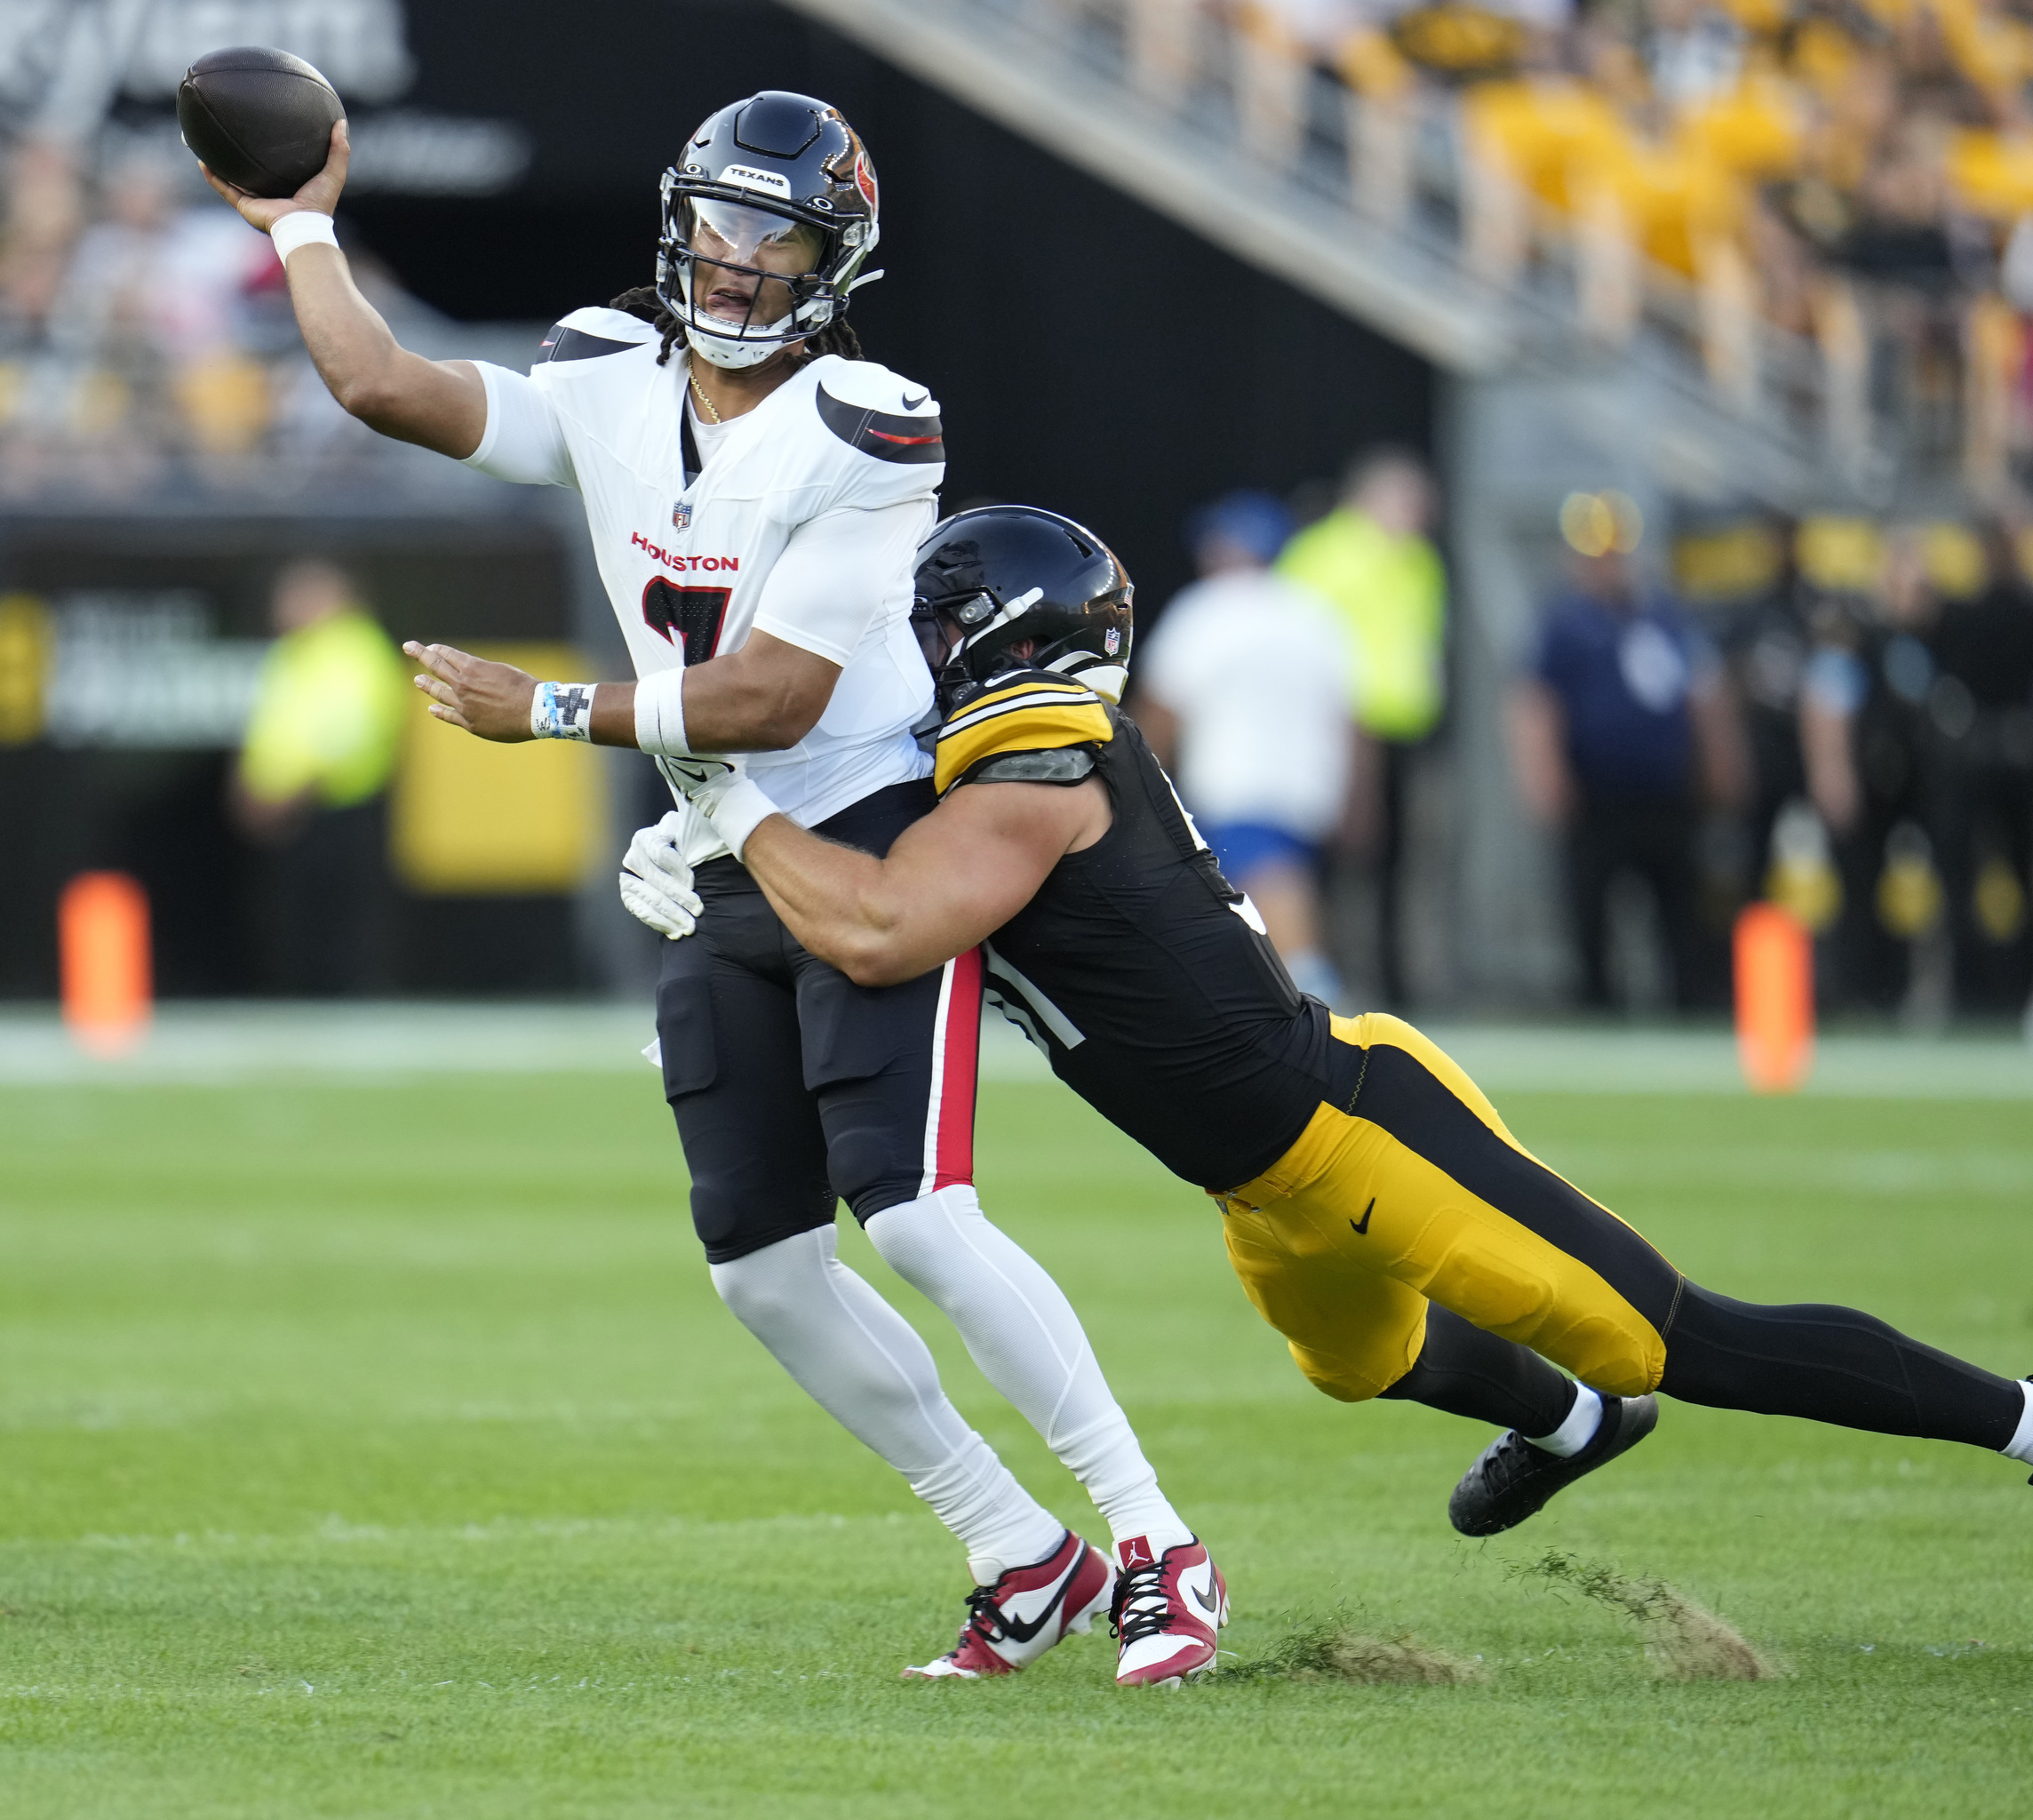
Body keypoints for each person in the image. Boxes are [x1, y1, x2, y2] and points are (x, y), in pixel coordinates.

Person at [202, 96, 1216, 1686]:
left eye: (779, 237)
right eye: (723, 226)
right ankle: (1018, 1546)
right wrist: (301, 227)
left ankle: (1156, 1536)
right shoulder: (607, 365)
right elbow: (382, 382)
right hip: (723, 841)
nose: (739, 264)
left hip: (864, 823)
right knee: (759, 1267)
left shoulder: (872, 418)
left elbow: (775, 698)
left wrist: (545, 712)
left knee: (923, 1217)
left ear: (837, 260)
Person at [657, 504, 2033, 1538]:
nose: (915, 657)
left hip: (1355, 1130)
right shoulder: (983, 768)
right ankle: (1572, 1423)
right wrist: (732, 887)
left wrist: (735, 817)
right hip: (1253, 1181)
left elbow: (887, 922)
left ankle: (2020, 1419)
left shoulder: (1040, 761)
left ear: (1010, 638)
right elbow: (876, 904)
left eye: (938, 629)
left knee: (1684, 1335)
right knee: (1362, 1361)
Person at [1508, 516, 1747, 1010]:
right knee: (1591, 911)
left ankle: (1688, 1002)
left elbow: (1703, 695)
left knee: (1682, 910)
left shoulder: (1665, 616)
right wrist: (1545, 776)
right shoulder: (1565, 623)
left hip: (1667, 792)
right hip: (1597, 795)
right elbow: (1536, 704)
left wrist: (1721, 762)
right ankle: (1596, 1003)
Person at [1134, 490, 1353, 1004]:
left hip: (1234, 783)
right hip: (1308, 787)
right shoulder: (1314, 613)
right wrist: (1354, 796)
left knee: (1264, 886)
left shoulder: (1208, 608)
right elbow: (1348, 714)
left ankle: (1312, 987)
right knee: (1271, 886)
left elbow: (1163, 704)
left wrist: (1135, 777)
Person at [1278, 448, 1445, 1006]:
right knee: (1324, 853)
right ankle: (1315, 972)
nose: (1418, 514)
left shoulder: (1419, 560)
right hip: (1335, 724)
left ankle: (1392, 982)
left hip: (1399, 728)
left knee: (1394, 860)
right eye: (1406, 500)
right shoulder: (1323, 554)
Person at [229, 558, 411, 994]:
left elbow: (349, 732)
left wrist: (291, 789)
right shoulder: (294, 653)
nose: (285, 606)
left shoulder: (354, 649)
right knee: (297, 924)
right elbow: (271, 728)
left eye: (300, 595)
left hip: (337, 808)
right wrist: (251, 785)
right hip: (290, 813)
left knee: (339, 926)